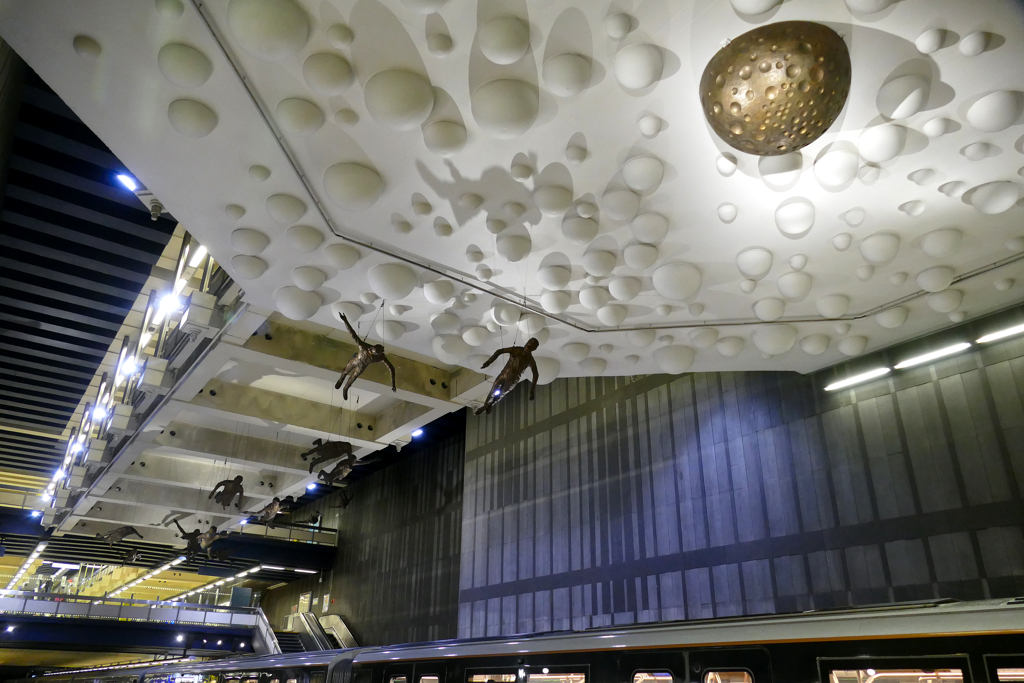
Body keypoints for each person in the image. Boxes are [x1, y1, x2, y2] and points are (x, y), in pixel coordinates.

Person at [334, 313, 397, 399]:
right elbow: (353, 334)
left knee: (352, 378)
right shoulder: (364, 347)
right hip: (356, 361)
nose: (370, 350)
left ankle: (345, 388)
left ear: (376, 354)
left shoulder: (381, 357)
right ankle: (341, 380)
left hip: (362, 367)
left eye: (372, 351)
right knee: (345, 371)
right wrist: (345, 321)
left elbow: (391, 368)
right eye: (371, 348)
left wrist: (393, 384)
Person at [475, 338, 540, 415]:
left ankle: (489, 405)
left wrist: (532, 390)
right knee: (493, 390)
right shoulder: (516, 350)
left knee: (501, 394)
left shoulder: (530, 360)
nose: (527, 347)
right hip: (504, 374)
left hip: (513, 379)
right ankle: (486, 406)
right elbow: (499, 351)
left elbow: (536, 374)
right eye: (527, 344)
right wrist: (489, 361)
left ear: (534, 349)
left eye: (530, 346)